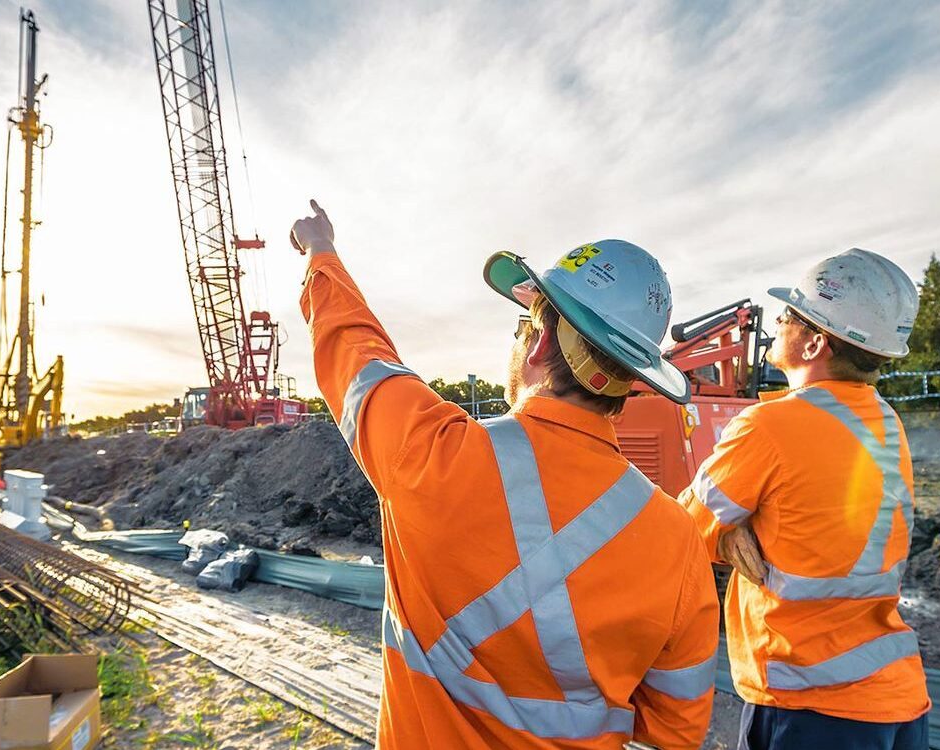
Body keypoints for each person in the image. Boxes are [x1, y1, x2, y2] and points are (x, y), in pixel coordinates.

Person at [290, 200, 720, 749]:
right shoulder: (678, 541)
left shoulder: (432, 454)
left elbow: (355, 352)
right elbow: (673, 729)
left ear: (540, 343)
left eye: (526, 324)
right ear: (631, 379)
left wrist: (321, 253)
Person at [678, 248, 930, 750]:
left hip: (811, 704)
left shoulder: (771, 425)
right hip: (893, 697)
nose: (778, 320)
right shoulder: (884, 423)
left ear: (815, 343)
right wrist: (731, 531)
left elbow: (683, 528)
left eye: (791, 314)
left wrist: (723, 533)